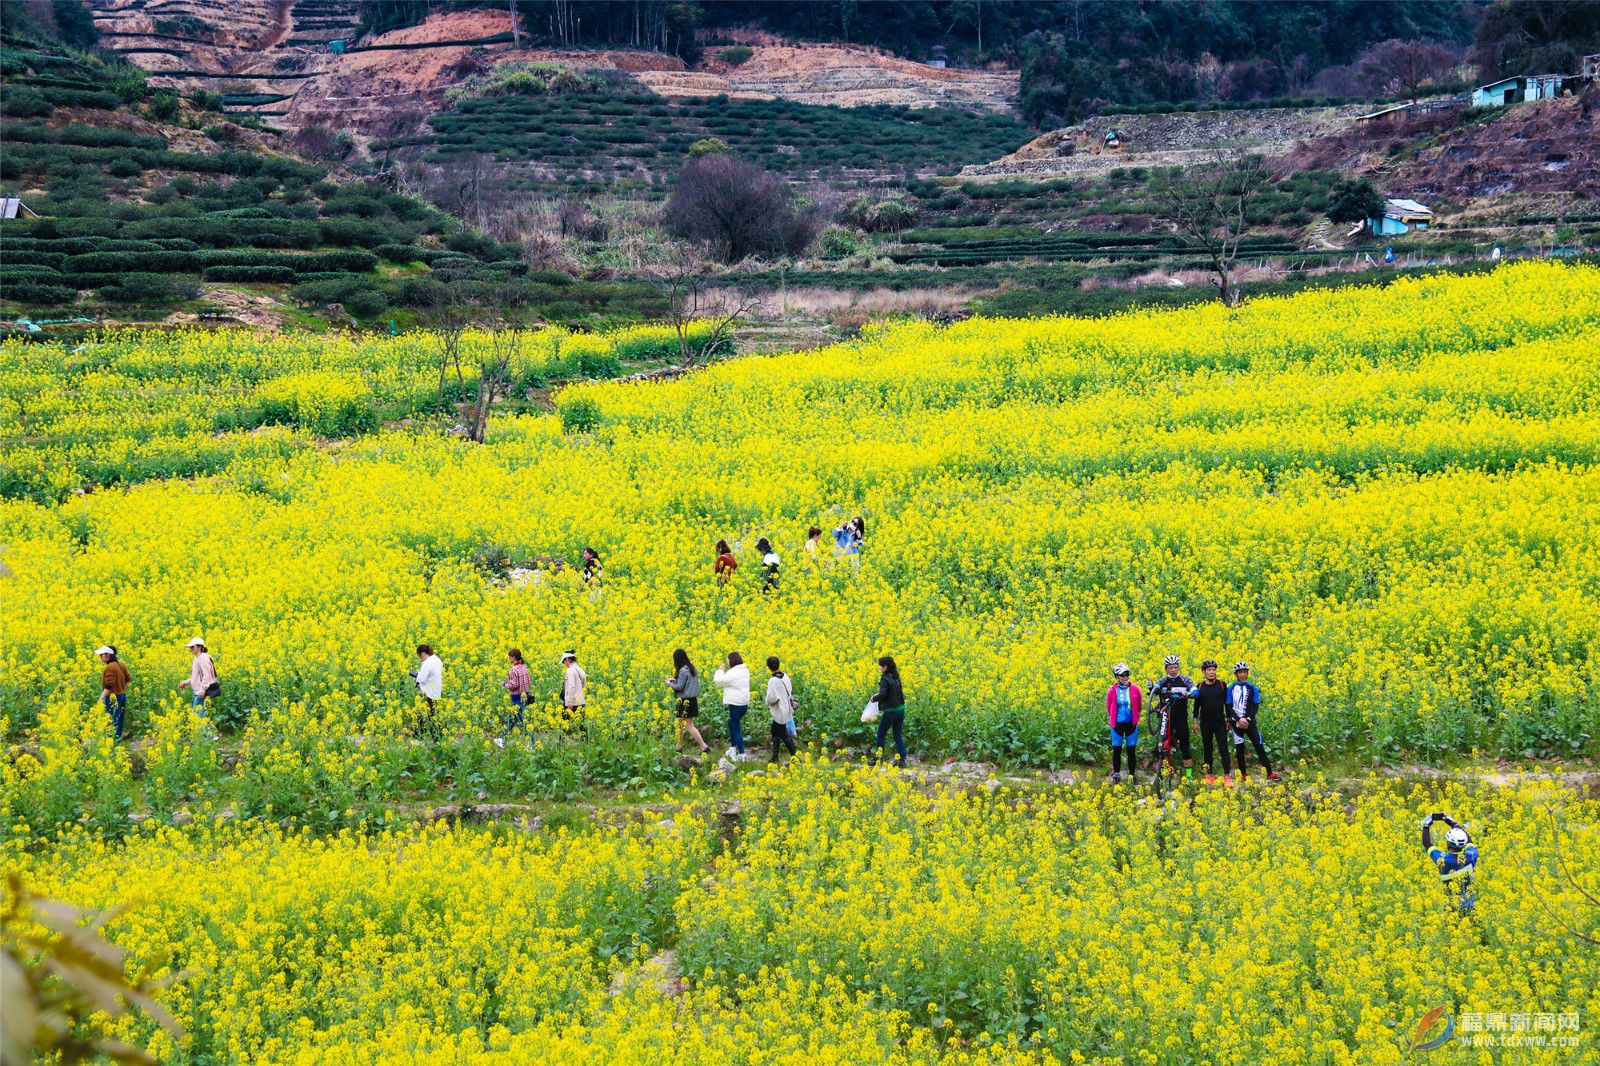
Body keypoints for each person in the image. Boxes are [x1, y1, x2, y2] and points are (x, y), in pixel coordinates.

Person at [1226, 662, 1280, 781]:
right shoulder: (1231, 688)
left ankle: (1269, 773)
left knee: (1259, 746)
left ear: (1247, 673)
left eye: (1244, 672)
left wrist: (1248, 719)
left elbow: (1255, 706)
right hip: (1236, 723)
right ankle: (1243, 774)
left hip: (1250, 722)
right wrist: (1238, 719)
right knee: (1240, 749)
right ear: (1236, 674)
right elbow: (1228, 706)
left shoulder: (1252, 687)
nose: (1242, 674)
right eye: (1240, 672)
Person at [1148, 655, 1196, 780]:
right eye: (1170, 668)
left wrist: (1190, 694)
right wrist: (1153, 687)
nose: (1173, 670)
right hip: (1166, 717)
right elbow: (1155, 689)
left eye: (1175, 667)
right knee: (1164, 744)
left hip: (1181, 718)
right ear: (1166, 669)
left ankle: (1189, 776)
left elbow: (1196, 692)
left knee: (1185, 744)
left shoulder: (1185, 679)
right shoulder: (1163, 681)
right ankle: (1164, 772)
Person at [1421, 812, 1479, 915]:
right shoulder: (1471, 856)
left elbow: (1427, 844)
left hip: (1450, 906)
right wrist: (1453, 823)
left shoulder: (1443, 860)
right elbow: (1469, 842)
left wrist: (1426, 825)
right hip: (1470, 903)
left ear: (1448, 843)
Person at [1192, 659, 1233, 782]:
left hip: (1220, 722)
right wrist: (1195, 722)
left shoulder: (1222, 685)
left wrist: (1228, 720)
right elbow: (1196, 706)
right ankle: (1209, 774)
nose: (1212, 672)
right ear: (1203, 672)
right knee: (1207, 748)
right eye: (1209, 670)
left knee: (1223, 748)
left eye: (1214, 670)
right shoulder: (1199, 686)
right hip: (1205, 723)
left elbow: (1227, 704)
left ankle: (1227, 775)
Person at [666, 648, 709, 754]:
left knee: (689, 725)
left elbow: (679, 687)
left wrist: (669, 683)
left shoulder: (683, 670)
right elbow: (687, 684)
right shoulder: (691, 668)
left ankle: (704, 747)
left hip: (685, 700)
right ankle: (678, 746)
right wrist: (675, 680)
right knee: (680, 723)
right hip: (692, 699)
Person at [869, 655, 906, 767]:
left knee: (881, 734)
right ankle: (902, 761)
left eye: (880, 666)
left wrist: (874, 698)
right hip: (900, 710)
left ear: (885, 667)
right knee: (897, 735)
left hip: (891, 711)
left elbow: (883, 694)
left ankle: (878, 759)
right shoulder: (896, 677)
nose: (879, 668)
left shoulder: (885, 679)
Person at [1106, 662, 1140, 783]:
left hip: (1131, 724)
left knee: (1131, 751)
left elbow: (1139, 706)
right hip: (1117, 725)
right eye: (1122, 675)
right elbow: (1109, 707)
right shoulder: (1112, 691)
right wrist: (1114, 718)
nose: (1125, 677)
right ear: (1117, 676)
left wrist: (1135, 718)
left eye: (1127, 674)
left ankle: (1132, 775)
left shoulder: (1135, 689)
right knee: (1117, 750)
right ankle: (1116, 774)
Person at [713, 651, 751, 759]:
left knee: (735, 728)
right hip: (744, 703)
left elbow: (719, 681)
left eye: (728, 659)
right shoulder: (745, 670)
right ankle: (733, 748)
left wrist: (720, 670)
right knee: (731, 723)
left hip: (735, 704)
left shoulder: (733, 672)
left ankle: (742, 754)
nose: (728, 662)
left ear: (732, 660)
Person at [765, 656, 798, 765]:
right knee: (775, 732)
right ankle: (775, 757)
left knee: (783, 735)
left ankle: (795, 757)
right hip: (787, 708)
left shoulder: (773, 681)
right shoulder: (785, 677)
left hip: (780, 711)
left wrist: (767, 701)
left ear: (769, 667)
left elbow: (771, 698)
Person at [96, 645, 130, 741]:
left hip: (113, 697)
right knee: (119, 720)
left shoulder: (110, 667)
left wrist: (101, 698)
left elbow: (109, 685)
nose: (101, 656)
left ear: (108, 655)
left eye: (102, 654)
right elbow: (128, 679)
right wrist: (122, 689)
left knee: (111, 721)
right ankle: (117, 742)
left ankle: (112, 743)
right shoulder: (120, 664)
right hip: (122, 696)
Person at [177, 637, 218, 716]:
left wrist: (202, 690)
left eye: (192, 647)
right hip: (199, 692)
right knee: (200, 716)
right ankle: (207, 728)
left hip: (202, 692)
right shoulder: (197, 659)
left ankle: (205, 729)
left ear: (199, 647)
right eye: (190, 647)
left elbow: (206, 675)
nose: (190, 649)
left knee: (198, 716)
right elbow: (198, 677)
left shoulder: (203, 658)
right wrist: (186, 682)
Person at [410, 643, 443, 739]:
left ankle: (417, 739)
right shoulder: (437, 660)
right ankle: (437, 739)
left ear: (423, 653)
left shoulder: (427, 663)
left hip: (427, 694)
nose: (421, 659)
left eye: (420, 656)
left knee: (420, 718)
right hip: (436, 693)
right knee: (434, 717)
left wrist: (417, 676)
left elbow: (421, 679)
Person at [499, 648, 530, 742]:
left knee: (522, 722)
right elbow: (529, 680)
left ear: (513, 657)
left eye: (509, 657)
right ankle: (502, 739)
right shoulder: (524, 667)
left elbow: (513, 685)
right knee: (512, 719)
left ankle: (532, 743)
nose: (509, 659)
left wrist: (504, 684)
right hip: (525, 696)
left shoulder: (513, 670)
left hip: (517, 697)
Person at [561, 651, 587, 730]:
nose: (564, 663)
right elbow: (584, 685)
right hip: (580, 700)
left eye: (564, 661)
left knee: (564, 722)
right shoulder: (580, 669)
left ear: (568, 659)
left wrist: (569, 701)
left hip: (572, 701)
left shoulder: (570, 670)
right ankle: (585, 741)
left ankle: (561, 741)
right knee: (581, 723)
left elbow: (571, 686)